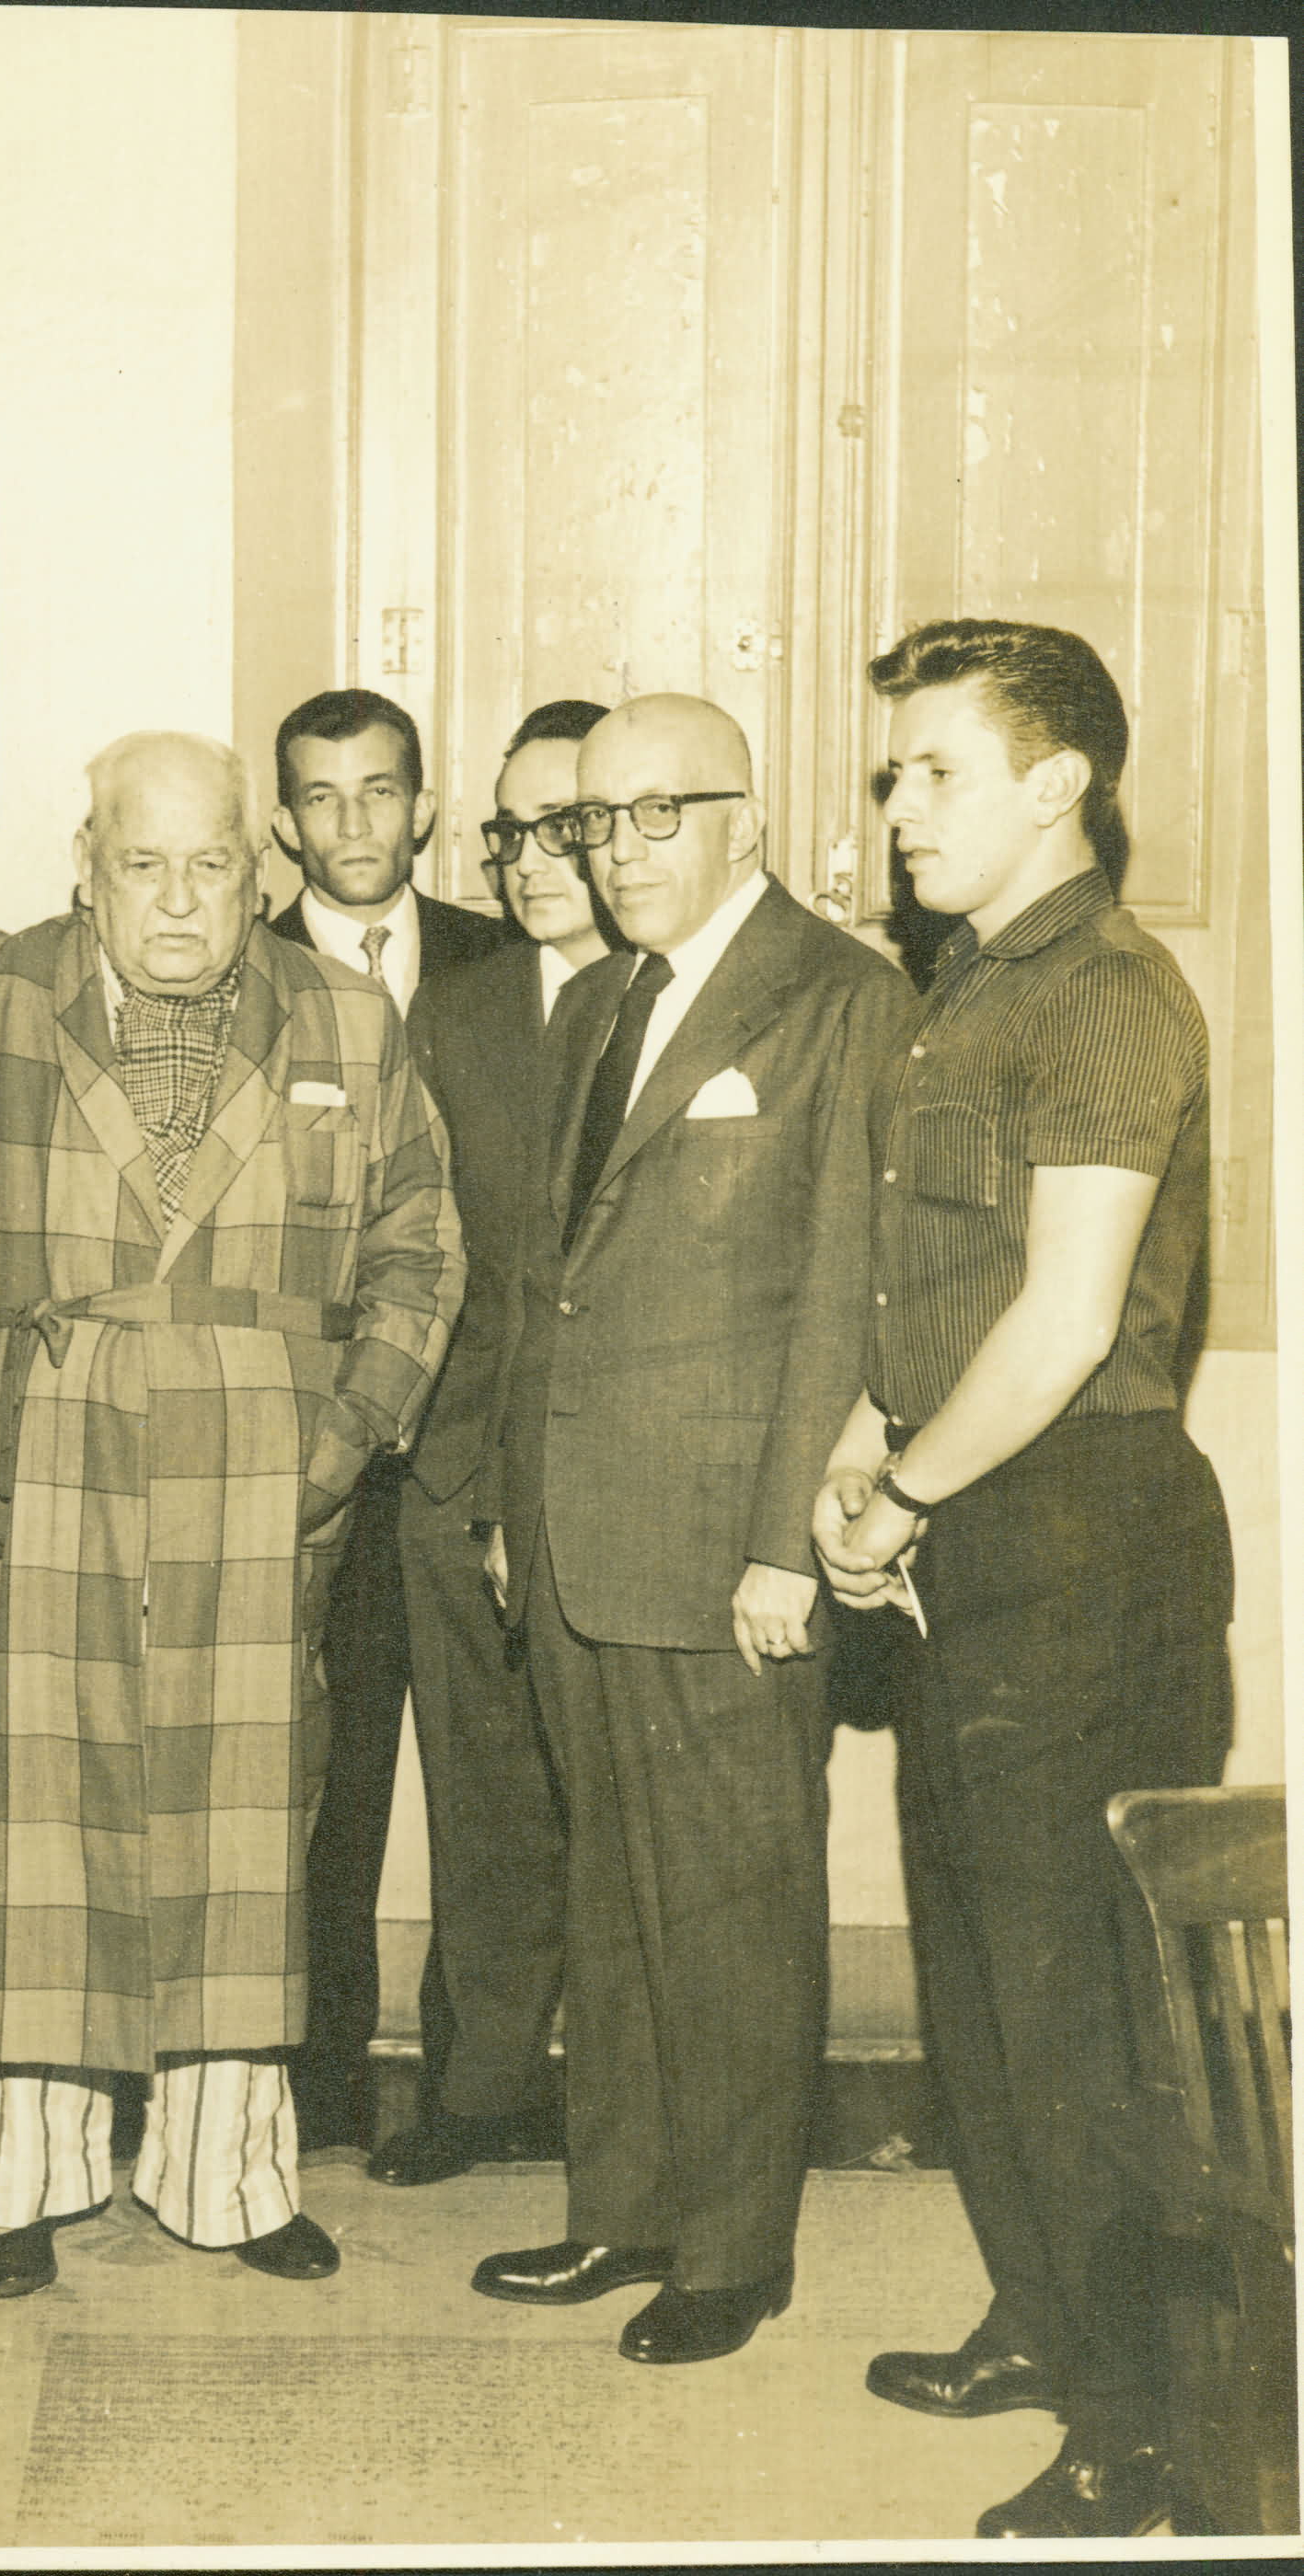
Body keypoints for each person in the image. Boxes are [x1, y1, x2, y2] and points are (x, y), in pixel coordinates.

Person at [0, 730, 464, 2296]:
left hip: (264, 1479)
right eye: (142, 865)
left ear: (257, 871)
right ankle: (17, 2180)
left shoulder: (348, 1019)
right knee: (41, 1826)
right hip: (47, 1461)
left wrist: (346, 1438)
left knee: (241, 1829)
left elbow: (421, 1246)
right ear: (85, 868)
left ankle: (226, 2181)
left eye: (208, 866)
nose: (177, 901)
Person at [814, 619, 1233, 2540]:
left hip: (1075, 1536)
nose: (897, 805)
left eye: (935, 771)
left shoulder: (1109, 994)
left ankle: (1141, 2428)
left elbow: (1065, 1322)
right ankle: (1043, 2319)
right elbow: (936, 1291)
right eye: (891, 771)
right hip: (973, 1528)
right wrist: (862, 1457)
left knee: (1080, 2011)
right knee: (982, 1981)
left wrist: (900, 1490)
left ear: (1056, 782)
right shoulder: (964, 985)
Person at [476, 693, 912, 2364]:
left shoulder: (840, 997)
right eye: (595, 819)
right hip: (574, 1533)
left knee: (732, 1906)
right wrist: (513, 1505)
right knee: (610, 1896)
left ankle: (733, 2251)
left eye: (660, 812)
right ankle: (623, 2210)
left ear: (745, 818)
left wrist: (788, 1545)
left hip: (730, 1547)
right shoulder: (600, 999)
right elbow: (549, 1282)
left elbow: (841, 1297)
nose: (620, 849)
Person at [368, 697, 609, 2189]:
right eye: (507, 832)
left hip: (616, 1489)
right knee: (484, 1808)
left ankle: (626, 2112)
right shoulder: (455, 1016)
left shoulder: (675, 1001)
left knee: (621, 1823)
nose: (526, 860)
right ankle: (480, 2089)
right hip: (459, 1478)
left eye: (562, 827)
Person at [266, 685, 506, 2151]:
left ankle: (475, 2092)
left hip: (472, 1451)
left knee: (490, 1794)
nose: (352, 821)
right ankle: (317, 2085)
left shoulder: (506, 958)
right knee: (321, 1796)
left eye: (378, 790)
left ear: (424, 807)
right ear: (281, 821)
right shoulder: (237, 976)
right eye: (321, 794)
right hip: (319, 1454)